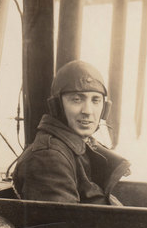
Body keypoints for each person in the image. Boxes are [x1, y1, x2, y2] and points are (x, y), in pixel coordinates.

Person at [13, 60, 130, 204]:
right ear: (57, 106)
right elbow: (64, 223)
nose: (87, 111)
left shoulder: (78, 146)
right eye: (76, 99)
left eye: (95, 100)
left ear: (105, 108)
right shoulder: (48, 157)